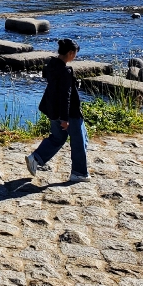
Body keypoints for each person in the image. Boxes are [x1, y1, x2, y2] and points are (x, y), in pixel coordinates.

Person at [25, 38, 90, 182]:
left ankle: (35, 158)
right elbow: (65, 95)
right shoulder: (65, 70)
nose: (76, 56)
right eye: (75, 53)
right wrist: (65, 119)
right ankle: (79, 173)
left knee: (58, 138)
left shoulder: (52, 65)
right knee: (79, 141)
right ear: (71, 53)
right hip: (68, 113)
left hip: (53, 110)